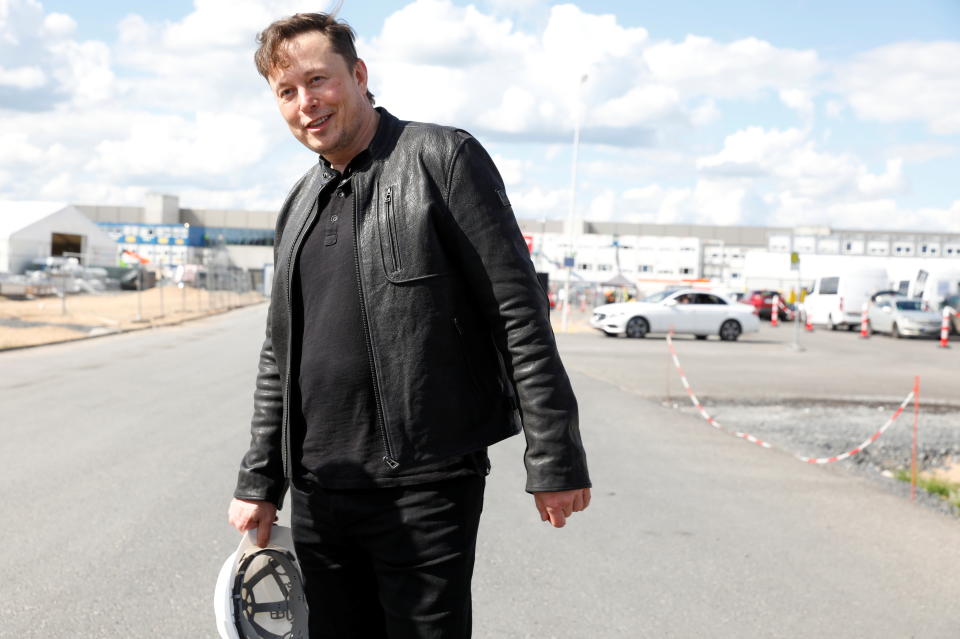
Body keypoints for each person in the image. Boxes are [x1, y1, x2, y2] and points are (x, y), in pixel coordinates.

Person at [227, 11, 591, 638]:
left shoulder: (441, 160)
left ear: (359, 74)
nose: (306, 103)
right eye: (287, 92)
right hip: (320, 490)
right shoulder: (297, 204)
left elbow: (517, 312)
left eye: (319, 80)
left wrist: (554, 454)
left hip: (424, 484)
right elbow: (276, 357)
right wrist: (260, 479)